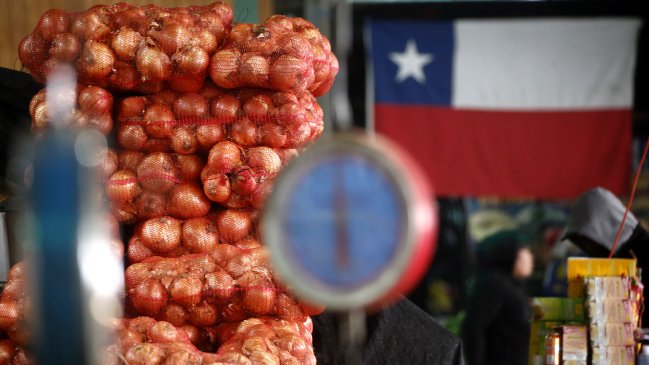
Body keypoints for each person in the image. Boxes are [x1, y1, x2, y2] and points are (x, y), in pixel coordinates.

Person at [562, 186, 649, 326]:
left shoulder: (642, 254)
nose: (587, 248)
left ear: (601, 228)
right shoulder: (616, 258)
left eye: (586, 241)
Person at [461, 229, 534, 365]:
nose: (530, 257)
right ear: (509, 254)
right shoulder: (494, 284)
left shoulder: (511, 285)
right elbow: (473, 329)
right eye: (524, 250)